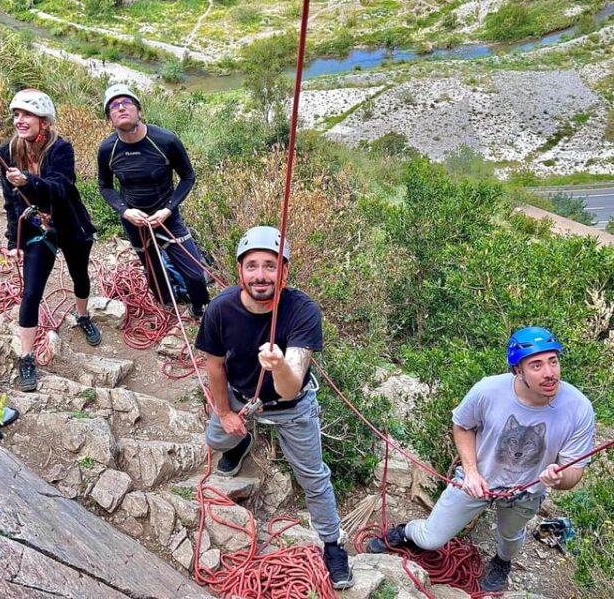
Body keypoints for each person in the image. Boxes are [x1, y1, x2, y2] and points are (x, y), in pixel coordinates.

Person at [367, 326, 595, 592]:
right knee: (431, 539)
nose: (549, 373)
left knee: (510, 538)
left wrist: (557, 478)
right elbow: (462, 425)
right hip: (477, 480)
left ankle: (502, 562)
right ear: (518, 371)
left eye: (553, 361)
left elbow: (574, 472)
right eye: (536, 365)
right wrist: (472, 472)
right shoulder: (489, 391)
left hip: (526, 491)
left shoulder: (578, 408)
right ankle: (405, 532)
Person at [194, 226, 354, 590]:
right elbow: (215, 366)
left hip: (291, 406)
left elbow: (292, 383)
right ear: (240, 272)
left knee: (313, 476)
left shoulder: (302, 310)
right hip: (240, 397)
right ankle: (239, 443)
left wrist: (279, 364)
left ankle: (332, 544)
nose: (261, 275)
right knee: (217, 440)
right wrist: (224, 413)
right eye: (252, 266)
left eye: (270, 266)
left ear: (284, 272)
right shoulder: (220, 309)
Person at [0, 89, 101, 392]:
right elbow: (10, 201)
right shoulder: (7, 152)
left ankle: (82, 315)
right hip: (34, 230)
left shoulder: (61, 149)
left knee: (79, 275)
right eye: (16, 114)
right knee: (31, 293)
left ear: (43, 121)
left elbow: (60, 187)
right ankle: (26, 356)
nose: (19, 120)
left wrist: (29, 181)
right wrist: (12, 240)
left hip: (68, 224)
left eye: (27, 114)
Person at [97, 83, 209, 319]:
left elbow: (187, 177)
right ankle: (167, 307)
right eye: (114, 106)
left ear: (139, 111)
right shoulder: (108, 149)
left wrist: (168, 210)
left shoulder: (165, 140)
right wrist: (125, 211)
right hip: (133, 220)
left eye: (127, 103)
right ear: (110, 119)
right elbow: (105, 187)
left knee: (195, 274)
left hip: (167, 216)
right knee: (153, 269)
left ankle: (199, 310)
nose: (121, 108)